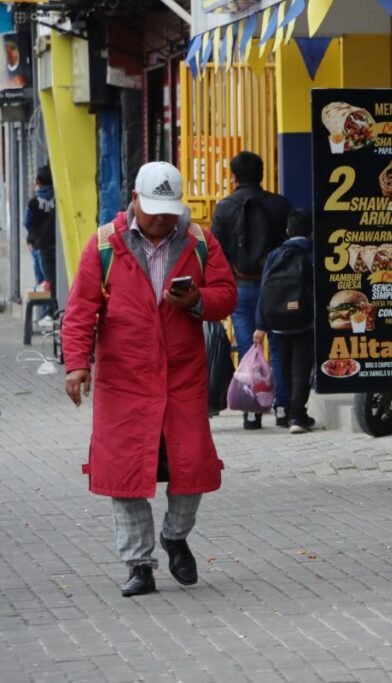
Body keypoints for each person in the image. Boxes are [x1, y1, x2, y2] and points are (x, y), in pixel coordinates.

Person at [61, 162, 237, 597]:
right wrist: (77, 364)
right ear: (135, 200)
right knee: (125, 472)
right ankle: (138, 564)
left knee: (191, 462)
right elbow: (82, 309)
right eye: (154, 209)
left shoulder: (199, 241)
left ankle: (175, 536)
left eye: (169, 211)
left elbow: (226, 294)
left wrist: (196, 299)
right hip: (124, 378)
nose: (162, 219)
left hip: (182, 374)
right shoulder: (104, 243)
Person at [211, 151, 292, 430]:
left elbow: (216, 252)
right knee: (280, 345)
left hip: (241, 287)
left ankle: (253, 411)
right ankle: (283, 409)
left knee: (248, 348)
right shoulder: (280, 205)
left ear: (233, 177)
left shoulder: (223, 207)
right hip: (278, 289)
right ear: (262, 174)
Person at [253, 210, 316, 434]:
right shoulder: (312, 254)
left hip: (277, 322)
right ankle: (298, 416)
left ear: (287, 231)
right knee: (301, 368)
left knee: (284, 367)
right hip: (304, 322)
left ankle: (285, 411)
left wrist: (260, 325)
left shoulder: (274, 255)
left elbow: (264, 289)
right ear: (312, 232)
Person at [24, 165, 56, 310]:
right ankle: (56, 309)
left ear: (38, 182)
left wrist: (32, 238)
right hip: (56, 245)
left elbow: (27, 222)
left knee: (43, 281)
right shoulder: (58, 198)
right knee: (54, 278)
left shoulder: (33, 202)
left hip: (39, 246)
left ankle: (47, 313)